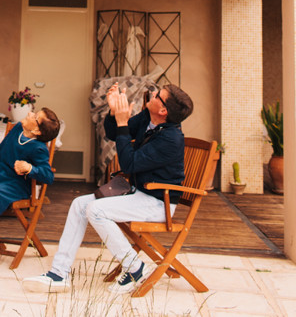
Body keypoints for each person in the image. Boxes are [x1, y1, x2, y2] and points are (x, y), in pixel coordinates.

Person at [23, 82, 194, 295]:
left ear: (163, 110)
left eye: (158, 95)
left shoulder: (170, 139)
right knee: (79, 204)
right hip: (139, 193)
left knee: (96, 210)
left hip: (158, 203)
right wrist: (114, 113)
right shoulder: (148, 119)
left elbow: (129, 164)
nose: (152, 93)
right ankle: (59, 274)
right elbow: (115, 134)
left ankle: (134, 268)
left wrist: (123, 122)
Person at [0, 107, 60, 269]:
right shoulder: (17, 130)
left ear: (36, 130)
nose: (29, 114)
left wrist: (29, 168)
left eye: (34, 116)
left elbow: (47, 176)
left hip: (15, 183)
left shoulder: (39, 149)